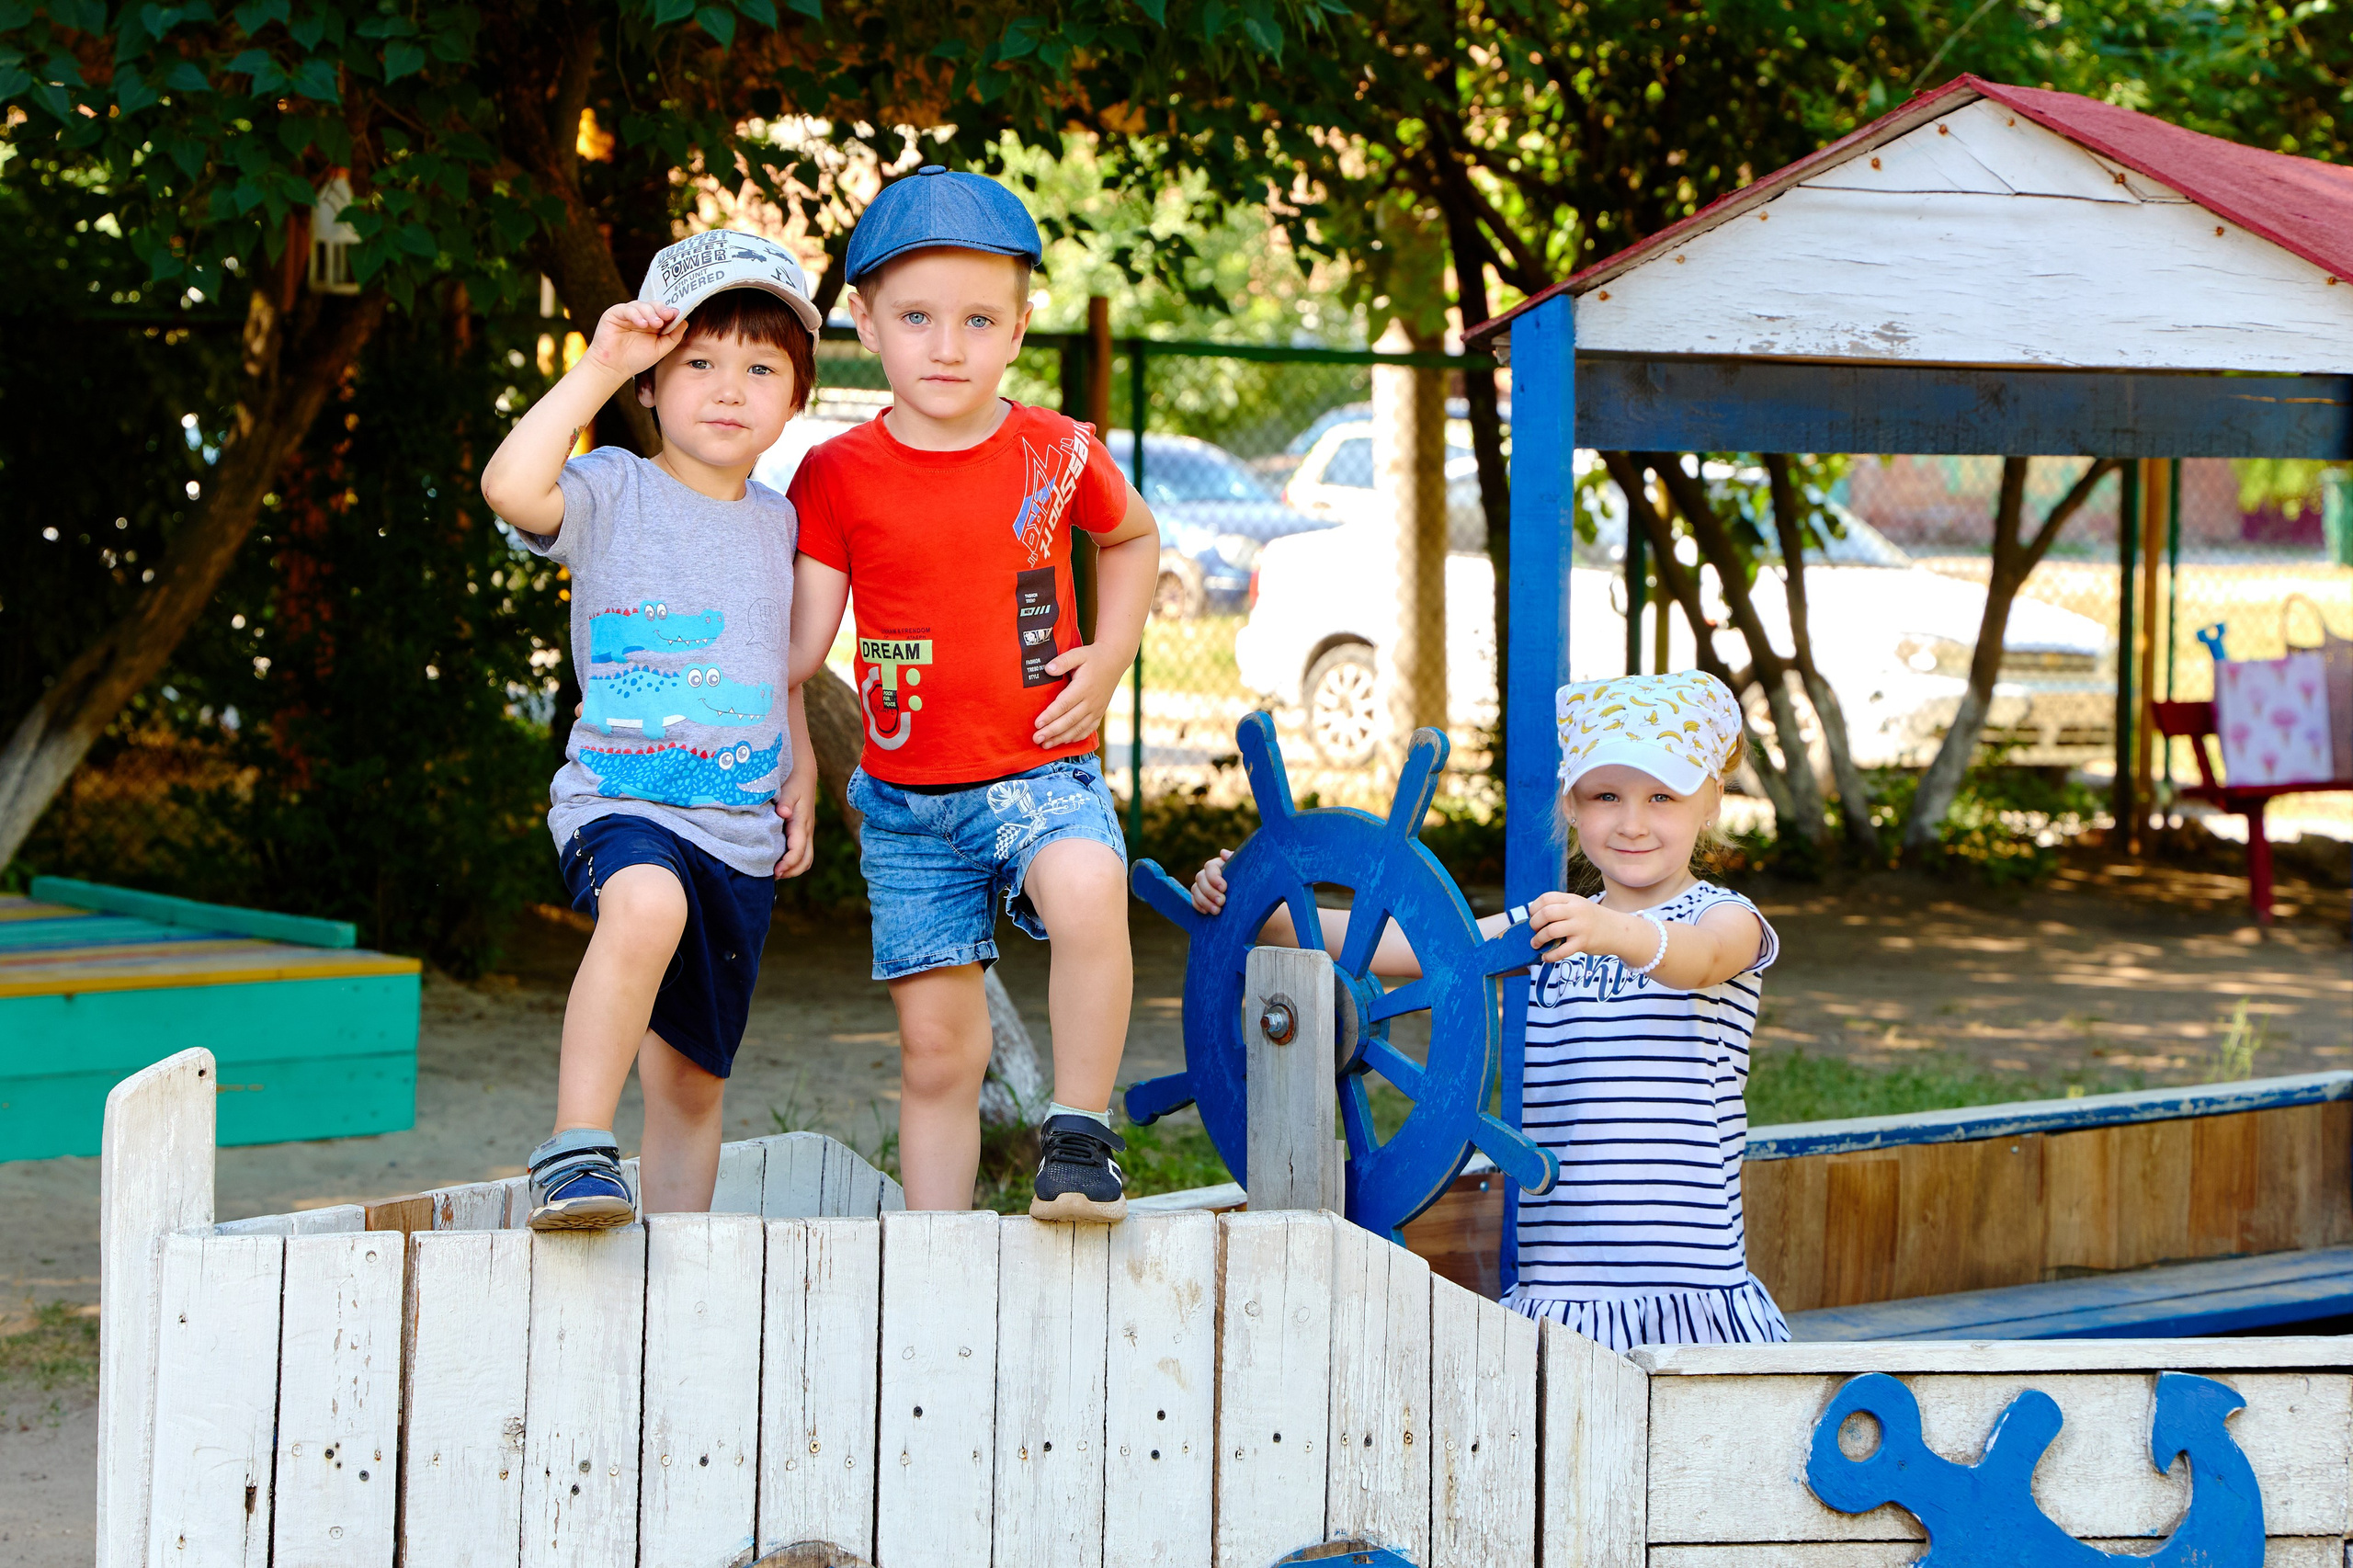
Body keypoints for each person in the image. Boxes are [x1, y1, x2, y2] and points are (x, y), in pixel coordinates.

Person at [1190, 669, 1790, 1351]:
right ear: (1571, 804)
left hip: (1690, 1284)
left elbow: (1703, 958)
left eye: (1662, 796)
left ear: (1710, 801)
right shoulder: (1551, 923)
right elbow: (1409, 947)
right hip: (1564, 1287)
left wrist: (1610, 933)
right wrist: (1264, 903)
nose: (1632, 821)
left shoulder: (1724, 917)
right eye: (1606, 796)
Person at [786, 166, 1159, 1221]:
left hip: (1039, 761)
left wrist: (1112, 652)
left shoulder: (1054, 450)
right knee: (938, 1052)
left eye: (977, 319)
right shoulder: (835, 473)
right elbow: (801, 643)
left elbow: (1131, 537)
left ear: (1018, 326)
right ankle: (933, 1253)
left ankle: (1079, 1137)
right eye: (915, 317)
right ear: (863, 321)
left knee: (1088, 885)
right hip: (906, 804)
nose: (946, 346)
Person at [480, 231, 823, 1231]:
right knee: (643, 906)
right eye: (699, 363)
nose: (729, 388)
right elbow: (509, 488)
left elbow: (776, 662)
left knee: (692, 1088)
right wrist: (597, 363)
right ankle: (575, 1148)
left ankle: (678, 1269)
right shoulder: (610, 489)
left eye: (760, 367)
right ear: (651, 385)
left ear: (795, 395)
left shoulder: (782, 522)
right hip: (623, 800)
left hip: (741, 834)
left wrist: (797, 760)